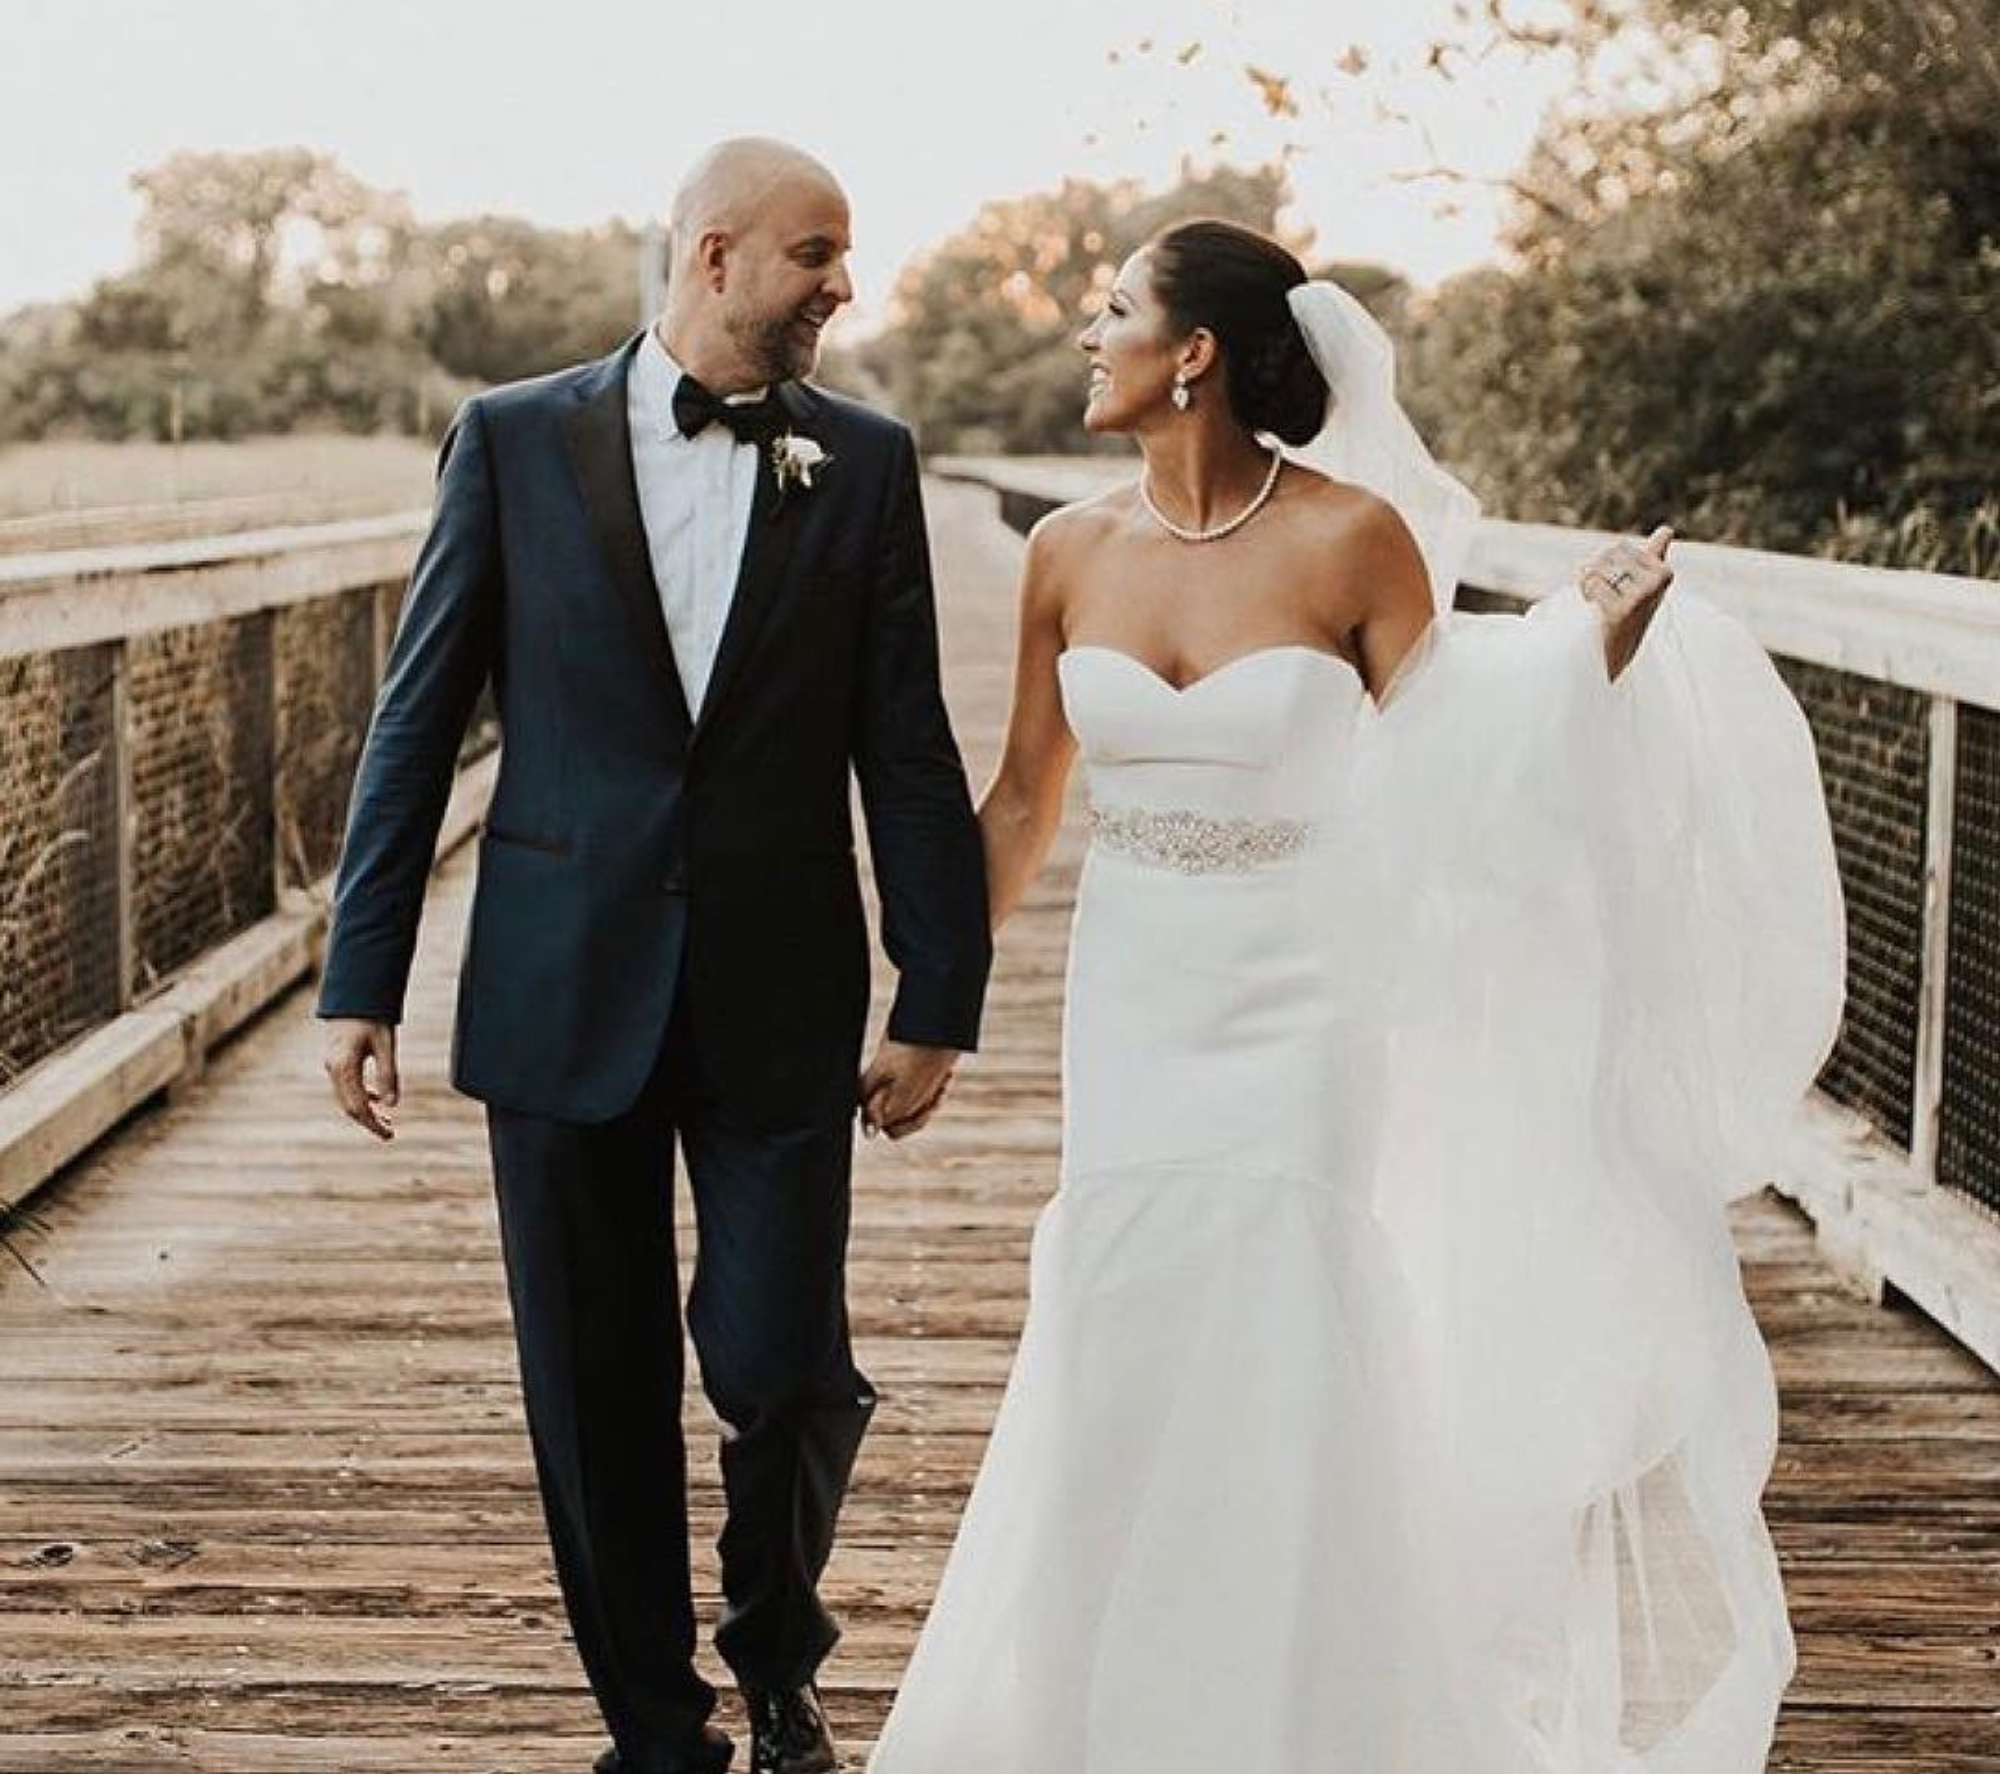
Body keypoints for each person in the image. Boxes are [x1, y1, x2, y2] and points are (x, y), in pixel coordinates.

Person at [866, 219, 1845, 1771]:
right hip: (1136, 1005)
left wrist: (1594, 638)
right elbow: (1022, 805)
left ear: (1193, 354)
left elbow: (1467, 754)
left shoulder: (1352, 540)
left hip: (1303, 1005)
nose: (1088, 335)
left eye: (1114, 310)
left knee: (1283, 1317)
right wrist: (933, 1009)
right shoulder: (1066, 551)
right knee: (1122, 1313)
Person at [316, 138, 993, 1774]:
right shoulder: (508, 441)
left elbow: (906, 746)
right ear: (712, 256)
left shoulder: (871, 462)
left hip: (781, 994)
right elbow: (418, 725)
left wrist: (938, 995)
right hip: (560, 984)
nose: (845, 284)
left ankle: (777, 1658)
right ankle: (656, 1730)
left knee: (786, 1367)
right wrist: (361, 975)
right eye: (816, 253)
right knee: (593, 1391)